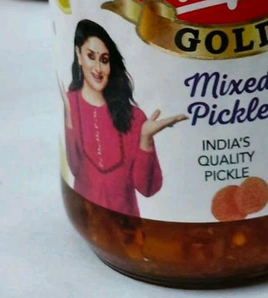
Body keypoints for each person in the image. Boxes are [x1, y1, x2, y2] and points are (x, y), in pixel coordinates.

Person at [60, 19, 187, 216]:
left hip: (129, 225)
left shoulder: (134, 116)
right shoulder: (69, 103)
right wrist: (69, 118)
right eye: (91, 56)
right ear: (78, 55)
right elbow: (74, 168)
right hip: (87, 215)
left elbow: (148, 189)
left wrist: (145, 139)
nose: (98, 68)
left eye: (104, 60)